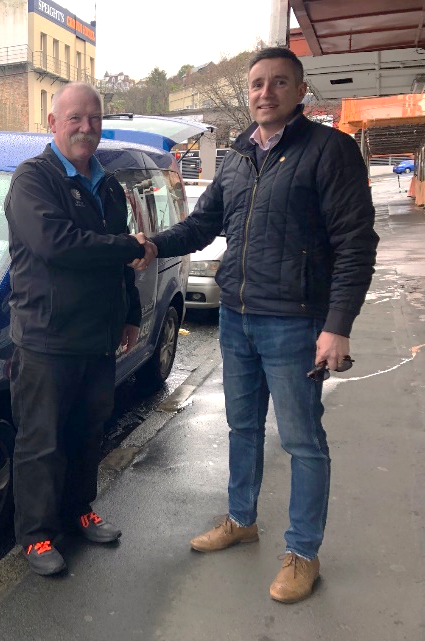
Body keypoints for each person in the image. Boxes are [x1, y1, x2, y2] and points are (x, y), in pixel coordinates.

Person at [133, 47, 379, 602]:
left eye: (277, 83)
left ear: (299, 91)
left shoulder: (329, 152)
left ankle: (303, 553)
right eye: (256, 84)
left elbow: (355, 245)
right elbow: (202, 225)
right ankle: (241, 520)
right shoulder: (240, 156)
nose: (264, 92)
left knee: (302, 442)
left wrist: (337, 326)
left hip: (295, 324)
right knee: (242, 429)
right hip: (238, 317)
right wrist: (152, 244)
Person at [4, 82, 147, 576]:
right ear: (53, 123)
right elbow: (56, 244)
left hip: (97, 338)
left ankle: (78, 510)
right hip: (46, 339)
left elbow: (117, 263)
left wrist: (130, 313)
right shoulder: (32, 180)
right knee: (41, 443)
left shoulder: (107, 187)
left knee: (89, 433)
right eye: (75, 119)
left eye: (94, 119)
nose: (86, 128)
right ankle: (37, 536)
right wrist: (128, 245)